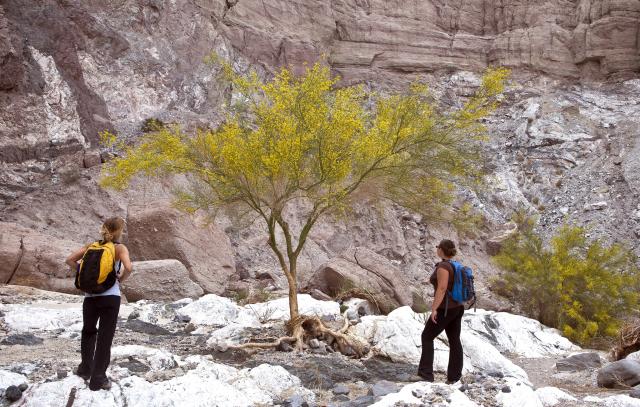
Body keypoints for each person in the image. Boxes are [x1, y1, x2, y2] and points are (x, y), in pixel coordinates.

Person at [65, 217, 133, 391]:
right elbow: (129, 267)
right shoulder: (119, 248)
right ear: (119, 231)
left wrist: (82, 272)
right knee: (105, 336)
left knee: (88, 331)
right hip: (110, 297)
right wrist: (120, 279)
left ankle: (85, 369)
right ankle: (98, 379)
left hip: (90, 296)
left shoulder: (91, 246)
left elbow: (70, 260)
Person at [417, 239, 464, 384]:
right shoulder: (456, 265)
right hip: (457, 307)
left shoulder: (443, 266)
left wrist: (434, 309)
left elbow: (442, 288)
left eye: (438, 247)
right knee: (454, 340)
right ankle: (454, 377)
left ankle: (426, 374)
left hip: (445, 309)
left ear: (441, 250)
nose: (436, 249)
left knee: (427, 336)